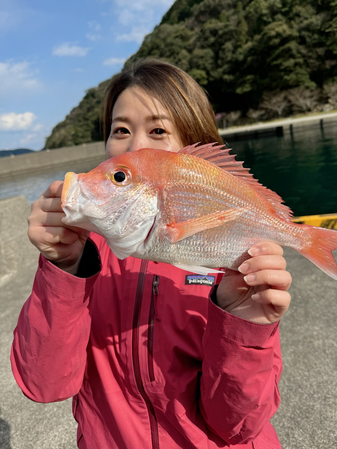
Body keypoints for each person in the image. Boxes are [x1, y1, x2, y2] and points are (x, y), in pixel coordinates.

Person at [11, 58, 292, 449]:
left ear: (193, 148)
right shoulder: (86, 256)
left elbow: (238, 424)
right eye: (121, 129)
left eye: (158, 129)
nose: (137, 145)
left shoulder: (232, 269)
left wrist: (244, 321)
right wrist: (64, 267)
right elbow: (43, 384)